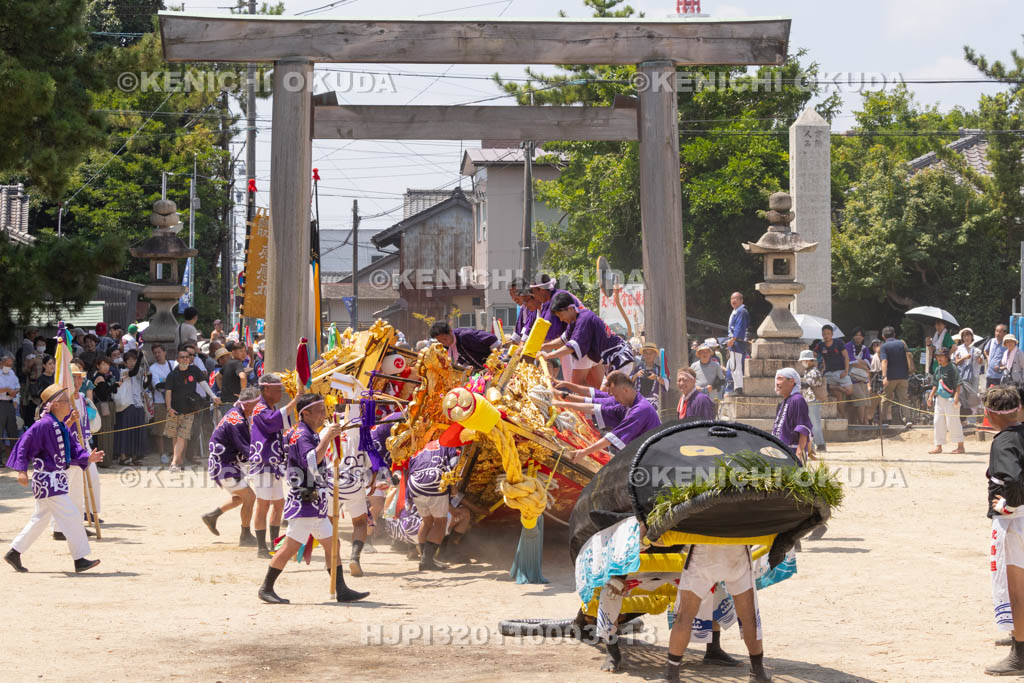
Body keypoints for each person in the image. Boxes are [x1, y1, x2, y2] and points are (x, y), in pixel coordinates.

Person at [257, 393, 369, 604]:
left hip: (314, 499)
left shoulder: (306, 432)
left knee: (332, 544)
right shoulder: (302, 434)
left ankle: (341, 589)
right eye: (319, 411)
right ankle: (266, 587)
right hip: (305, 500)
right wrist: (328, 437)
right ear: (305, 413)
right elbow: (310, 460)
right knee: (290, 547)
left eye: (323, 410)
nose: (322, 415)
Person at [3, 384, 104, 574]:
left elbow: (70, 448)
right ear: (56, 404)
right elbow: (24, 443)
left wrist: (87, 458)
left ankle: (15, 552)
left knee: (40, 519)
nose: (69, 404)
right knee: (72, 515)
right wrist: (22, 470)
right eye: (66, 401)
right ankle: (80, 558)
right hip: (48, 480)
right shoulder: (42, 425)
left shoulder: (58, 425)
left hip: (54, 479)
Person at [664, 540, 771, 683]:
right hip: (736, 551)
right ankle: (758, 673)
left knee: (685, 616)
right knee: (748, 616)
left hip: (703, 550)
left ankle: (671, 675)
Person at [985, 386, 1024, 675]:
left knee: (1016, 589)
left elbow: (1011, 479)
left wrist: (1009, 505)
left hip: (1016, 522)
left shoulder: (1004, 443)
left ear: (989, 415)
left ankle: (1020, 653)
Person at [249, 373, 301, 558]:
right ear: (265, 389)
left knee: (279, 504)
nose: (280, 392)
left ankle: (274, 543)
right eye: (277, 389)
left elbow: (282, 426)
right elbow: (272, 422)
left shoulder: (272, 406)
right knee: (263, 504)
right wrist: (295, 401)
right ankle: (261, 547)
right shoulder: (260, 409)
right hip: (263, 463)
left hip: (274, 463)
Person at [554, 371, 660, 461]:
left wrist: (584, 452)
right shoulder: (626, 404)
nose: (615, 399)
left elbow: (613, 437)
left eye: (616, 395)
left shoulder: (640, 409)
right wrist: (563, 403)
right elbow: (593, 408)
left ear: (625, 390)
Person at [201, 386, 260, 547]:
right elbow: (248, 450)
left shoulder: (236, 414)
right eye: (257, 404)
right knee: (249, 497)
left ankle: (212, 516)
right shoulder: (238, 421)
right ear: (248, 405)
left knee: (240, 497)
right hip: (224, 466)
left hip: (222, 463)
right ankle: (245, 534)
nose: (259, 407)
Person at [540, 292, 636, 388]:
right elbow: (562, 340)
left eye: (561, 315)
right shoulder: (574, 321)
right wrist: (543, 346)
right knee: (603, 394)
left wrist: (549, 355)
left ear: (570, 309)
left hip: (619, 358)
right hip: (613, 360)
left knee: (607, 394)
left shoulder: (584, 319)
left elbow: (571, 347)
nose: (561, 319)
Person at [407, 439, 465, 571]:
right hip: (433, 480)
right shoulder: (448, 442)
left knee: (427, 521)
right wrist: (453, 486)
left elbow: (410, 468)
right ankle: (427, 560)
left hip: (414, 483)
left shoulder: (420, 447)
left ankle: (425, 558)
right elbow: (454, 464)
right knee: (440, 522)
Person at [161, 347, 219, 471]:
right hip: (174, 410)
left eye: (188, 357)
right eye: (183, 357)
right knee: (174, 436)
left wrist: (213, 396)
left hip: (189, 410)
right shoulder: (173, 374)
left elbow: (203, 383)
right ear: (177, 359)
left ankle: (174, 463)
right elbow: (168, 392)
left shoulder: (194, 370)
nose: (186, 359)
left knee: (182, 436)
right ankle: (179, 460)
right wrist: (169, 408)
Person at [926, 346, 964, 455]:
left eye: (942, 356)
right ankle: (938, 446)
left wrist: (956, 396)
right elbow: (935, 384)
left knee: (953, 422)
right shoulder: (938, 369)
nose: (939, 358)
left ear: (947, 356)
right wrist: (930, 396)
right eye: (938, 356)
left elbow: (958, 383)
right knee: (938, 422)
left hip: (951, 398)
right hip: (939, 398)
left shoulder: (952, 367)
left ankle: (960, 446)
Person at [771, 367, 813, 463]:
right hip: (781, 452)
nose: (777, 383)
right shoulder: (786, 401)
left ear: (791, 381)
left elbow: (803, 428)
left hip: (791, 453)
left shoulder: (797, 400)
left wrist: (799, 453)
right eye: (776, 379)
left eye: (780, 379)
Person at [113, 349, 147, 466]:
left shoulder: (140, 371)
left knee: (137, 432)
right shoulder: (124, 372)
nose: (131, 363)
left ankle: (134, 456)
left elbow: (145, 383)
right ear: (125, 363)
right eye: (129, 361)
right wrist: (140, 356)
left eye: (133, 360)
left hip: (138, 404)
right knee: (125, 432)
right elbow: (132, 372)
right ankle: (123, 456)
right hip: (127, 405)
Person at [811, 325, 853, 418]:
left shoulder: (839, 343)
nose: (826, 336)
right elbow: (812, 356)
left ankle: (834, 387)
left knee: (849, 391)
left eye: (828, 334)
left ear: (832, 334)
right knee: (838, 398)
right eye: (824, 334)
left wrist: (846, 371)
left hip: (841, 372)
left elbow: (846, 356)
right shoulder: (820, 345)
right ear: (822, 334)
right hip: (829, 373)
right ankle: (842, 417)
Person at [429, 321, 498, 372]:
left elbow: (492, 339)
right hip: (483, 371)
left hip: (496, 365)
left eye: (445, 339)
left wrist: (494, 359)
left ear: (450, 331)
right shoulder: (447, 347)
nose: (444, 343)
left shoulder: (465, 335)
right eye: (440, 341)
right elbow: (462, 359)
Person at [879, 326, 913, 426]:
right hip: (903, 376)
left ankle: (883, 421)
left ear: (883, 336)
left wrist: (884, 376)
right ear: (894, 334)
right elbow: (909, 356)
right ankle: (908, 420)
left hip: (890, 377)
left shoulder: (884, 346)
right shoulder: (901, 343)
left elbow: (884, 361)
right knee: (904, 399)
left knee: (885, 399)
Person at [952, 328, 984, 426]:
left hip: (974, 376)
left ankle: (972, 419)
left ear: (972, 337)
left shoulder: (977, 349)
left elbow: (981, 363)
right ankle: (962, 420)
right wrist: (966, 357)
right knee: (962, 397)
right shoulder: (958, 349)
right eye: (964, 336)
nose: (966, 337)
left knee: (973, 396)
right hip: (961, 376)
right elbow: (956, 362)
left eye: (968, 335)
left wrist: (978, 357)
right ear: (962, 338)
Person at [149, 344, 174, 464]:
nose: (157, 355)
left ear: (165, 352)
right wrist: (171, 383)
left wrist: (166, 382)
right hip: (160, 402)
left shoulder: (173, 364)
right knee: (159, 429)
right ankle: (162, 453)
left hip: (175, 402)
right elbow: (157, 385)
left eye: (159, 352)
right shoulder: (153, 368)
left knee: (175, 428)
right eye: (155, 353)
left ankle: (173, 452)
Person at [88, 356, 116, 465]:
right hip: (102, 406)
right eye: (103, 364)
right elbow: (104, 394)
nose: (106, 367)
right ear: (98, 366)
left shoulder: (107, 376)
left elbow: (114, 390)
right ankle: (103, 460)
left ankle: (107, 459)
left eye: (107, 364)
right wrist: (109, 384)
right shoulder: (98, 377)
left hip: (108, 406)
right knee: (104, 434)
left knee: (108, 433)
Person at [799, 349, 828, 453]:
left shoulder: (814, 372)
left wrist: (797, 383)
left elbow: (809, 384)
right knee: (810, 423)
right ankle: (814, 444)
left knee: (815, 423)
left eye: (804, 360)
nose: (803, 362)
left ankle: (821, 444)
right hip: (808, 400)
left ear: (809, 360)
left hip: (813, 400)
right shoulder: (808, 371)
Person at [845, 328, 872, 425]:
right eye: (856, 335)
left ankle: (865, 422)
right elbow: (851, 362)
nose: (858, 337)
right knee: (861, 400)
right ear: (853, 336)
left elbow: (869, 364)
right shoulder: (848, 346)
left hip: (863, 379)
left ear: (863, 337)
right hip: (852, 379)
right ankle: (862, 424)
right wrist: (863, 365)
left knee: (866, 402)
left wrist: (858, 362)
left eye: (860, 335)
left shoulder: (864, 348)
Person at [631, 343, 669, 412]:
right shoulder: (637, 368)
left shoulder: (659, 370)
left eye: (650, 353)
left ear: (655, 355)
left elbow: (666, 383)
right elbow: (627, 381)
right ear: (643, 355)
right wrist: (636, 375)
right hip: (639, 403)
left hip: (654, 405)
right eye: (646, 353)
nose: (648, 356)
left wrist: (656, 378)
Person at [725, 292, 749, 395]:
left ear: (741, 300)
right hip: (734, 342)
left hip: (737, 342)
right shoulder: (735, 311)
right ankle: (736, 387)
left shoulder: (742, 311)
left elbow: (740, 327)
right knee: (732, 365)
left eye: (736, 299)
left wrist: (733, 339)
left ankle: (738, 388)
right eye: (732, 299)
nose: (733, 301)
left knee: (736, 365)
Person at [0, 355, 20, 460]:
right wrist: (7, 389)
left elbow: (18, 387)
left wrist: (14, 392)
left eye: (11, 365)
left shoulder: (12, 373)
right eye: (7, 364)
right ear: (2, 363)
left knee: (13, 431)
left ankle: (14, 458)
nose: (9, 367)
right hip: (1, 404)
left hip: (10, 403)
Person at [987, 324, 1011, 389]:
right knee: (988, 395)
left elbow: (1010, 361)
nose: (997, 333)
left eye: (1000, 332)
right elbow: (985, 351)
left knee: (999, 397)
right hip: (989, 374)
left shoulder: (1007, 344)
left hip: (1000, 376)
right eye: (996, 331)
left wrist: (1002, 367)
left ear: (1005, 333)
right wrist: (988, 358)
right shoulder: (991, 341)